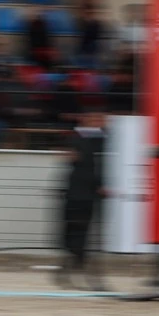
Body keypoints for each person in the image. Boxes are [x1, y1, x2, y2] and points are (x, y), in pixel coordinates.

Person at [57, 110, 108, 291]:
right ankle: (89, 278)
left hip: (86, 195)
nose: (100, 122)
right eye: (96, 118)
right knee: (79, 237)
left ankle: (66, 274)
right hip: (78, 195)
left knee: (81, 238)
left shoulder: (99, 141)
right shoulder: (78, 139)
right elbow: (72, 160)